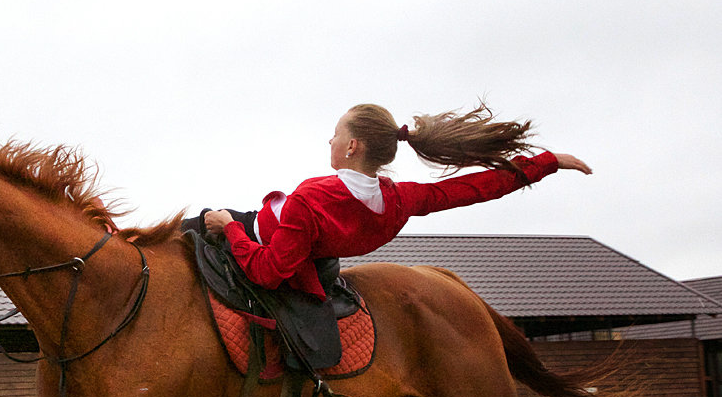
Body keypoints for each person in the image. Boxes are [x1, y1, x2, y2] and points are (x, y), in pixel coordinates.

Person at [198, 103, 593, 300]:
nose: (329, 140)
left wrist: (228, 227)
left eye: (335, 134)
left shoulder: (310, 199)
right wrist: (545, 163)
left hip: (256, 237)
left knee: (186, 234)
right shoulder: (399, 201)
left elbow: (269, 272)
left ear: (351, 146)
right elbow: (474, 188)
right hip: (305, 252)